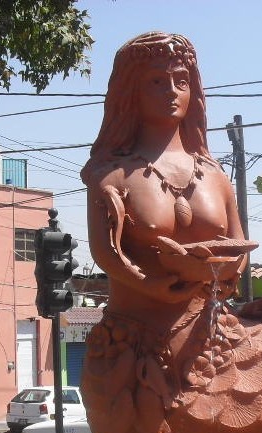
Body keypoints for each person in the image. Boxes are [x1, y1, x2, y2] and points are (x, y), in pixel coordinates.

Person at [81, 31, 248, 328]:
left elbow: (239, 244)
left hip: (209, 337)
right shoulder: (111, 176)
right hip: (134, 339)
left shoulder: (216, 176)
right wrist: (147, 284)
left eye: (181, 81)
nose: (172, 91)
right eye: (157, 81)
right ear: (132, 91)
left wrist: (231, 275)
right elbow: (104, 252)